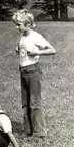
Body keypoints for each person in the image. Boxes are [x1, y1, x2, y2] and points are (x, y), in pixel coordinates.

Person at [12, 9, 57, 138]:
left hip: (32, 71)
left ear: (28, 24)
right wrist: (18, 49)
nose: (16, 27)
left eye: (18, 24)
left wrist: (38, 53)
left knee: (35, 103)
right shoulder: (23, 35)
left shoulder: (35, 36)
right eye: (16, 24)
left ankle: (39, 133)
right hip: (23, 71)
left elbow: (52, 50)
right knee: (25, 102)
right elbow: (22, 47)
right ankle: (28, 130)